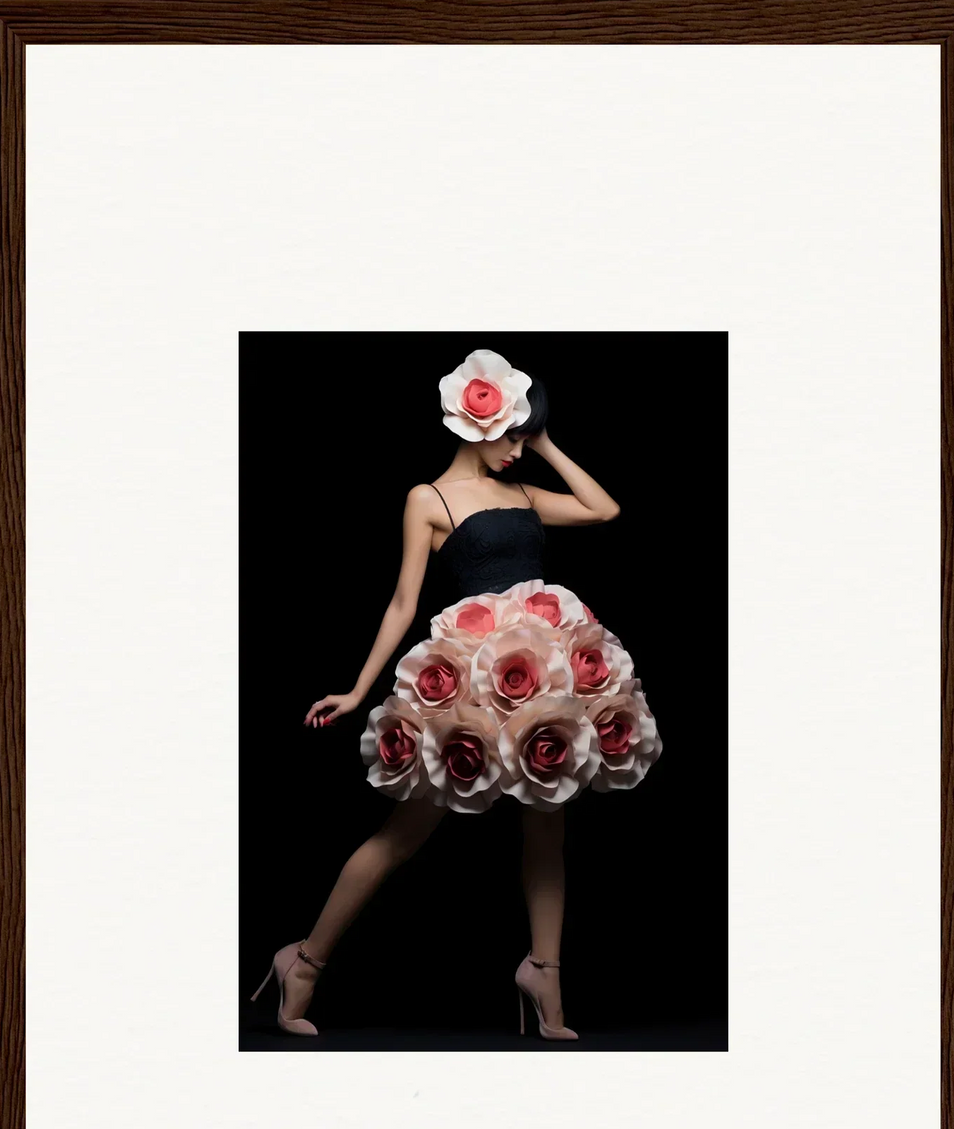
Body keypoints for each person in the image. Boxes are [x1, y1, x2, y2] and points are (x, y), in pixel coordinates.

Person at [252, 350, 661, 1040]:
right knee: (402, 834)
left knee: (547, 824)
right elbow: (403, 601)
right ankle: (304, 960)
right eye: (507, 433)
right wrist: (357, 689)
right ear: (473, 426)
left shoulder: (525, 492)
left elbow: (603, 509)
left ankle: (544, 977)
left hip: (544, 675)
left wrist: (544, 440)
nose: (514, 449)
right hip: (475, 676)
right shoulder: (429, 499)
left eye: (521, 435)